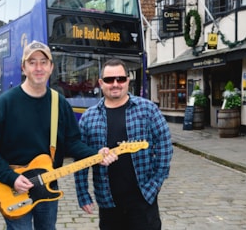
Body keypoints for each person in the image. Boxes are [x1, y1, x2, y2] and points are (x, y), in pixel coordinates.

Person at [0, 40, 117, 230]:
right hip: (15, 186)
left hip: (48, 183)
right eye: (32, 62)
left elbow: (72, 142)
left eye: (43, 62)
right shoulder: (5, 104)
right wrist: (11, 178)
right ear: (23, 68)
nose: (38, 67)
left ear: (51, 67)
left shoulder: (58, 103)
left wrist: (96, 155)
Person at [74, 58, 173, 230]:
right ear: (100, 83)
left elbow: (165, 145)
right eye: (109, 80)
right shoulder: (89, 117)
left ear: (128, 80)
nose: (115, 84)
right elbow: (81, 158)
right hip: (108, 201)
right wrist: (83, 194)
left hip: (143, 199)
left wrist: (155, 183)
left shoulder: (147, 109)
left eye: (120, 79)